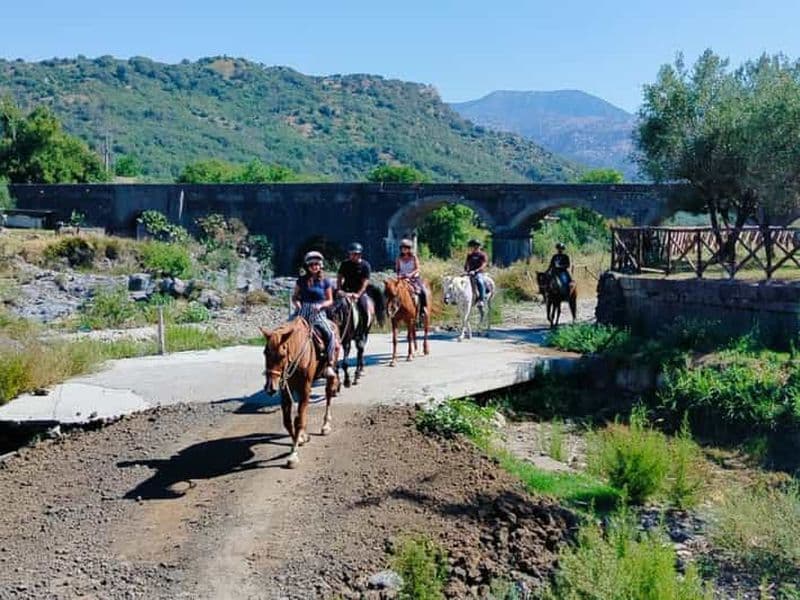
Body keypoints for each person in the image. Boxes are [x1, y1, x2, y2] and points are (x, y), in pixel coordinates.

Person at [291, 251, 337, 378]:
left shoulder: (325, 282)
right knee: (284, 331)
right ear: (307, 266)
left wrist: (321, 305)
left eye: (316, 264)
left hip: (318, 313)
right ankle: (280, 363)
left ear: (320, 265)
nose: (314, 267)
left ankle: (329, 363)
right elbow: (295, 297)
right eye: (311, 264)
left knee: (330, 334)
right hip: (302, 311)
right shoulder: (301, 281)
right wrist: (297, 304)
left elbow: (330, 300)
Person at [337, 242, 373, 320]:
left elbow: (365, 283)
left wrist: (358, 294)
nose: (352, 256)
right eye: (351, 254)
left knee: (364, 308)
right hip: (345, 290)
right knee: (336, 306)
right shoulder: (345, 264)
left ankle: (365, 326)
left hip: (359, 292)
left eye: (355, 254)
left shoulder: (365, 266)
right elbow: (339, 277)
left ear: (359, 254)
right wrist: (339, 289)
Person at [395, 238, 426, 313]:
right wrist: (399, 275)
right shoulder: (399, 258)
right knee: (392, 291)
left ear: (409, 249)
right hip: (402, 278)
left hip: (414, 278)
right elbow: (397, 269)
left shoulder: (414, 257)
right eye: (402, 248)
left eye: (405, 248)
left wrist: (410, 275)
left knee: (423, 291)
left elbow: (417, 268)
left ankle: (422, 309)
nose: (403, 249)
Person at [464, 238, 489, 306]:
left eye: (474, 246)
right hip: (470, 273)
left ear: (478, 246)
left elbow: (484, 264)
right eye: (471, 247)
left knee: (479, 281)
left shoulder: (482, 255)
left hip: (479, 273)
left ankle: (481, 299)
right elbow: (466, 264)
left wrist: (475, 271)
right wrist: (466, 270)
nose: (472, 248)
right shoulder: (469, 255)